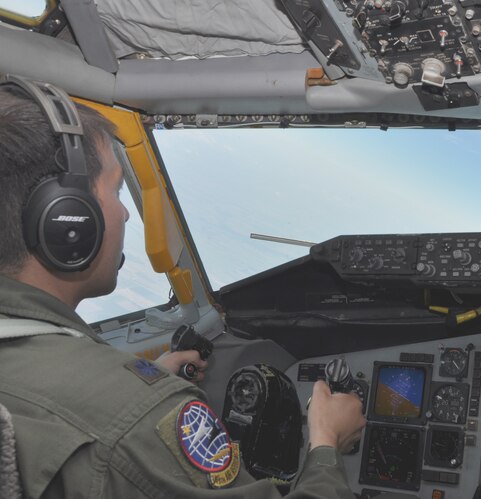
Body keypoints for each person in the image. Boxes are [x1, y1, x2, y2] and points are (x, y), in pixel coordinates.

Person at [0, 77, 366, 498]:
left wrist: (142, 381)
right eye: (117, 191)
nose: (125, 213)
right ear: (68, 221)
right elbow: (109, 425)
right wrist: (327, 441)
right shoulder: (138, 417)